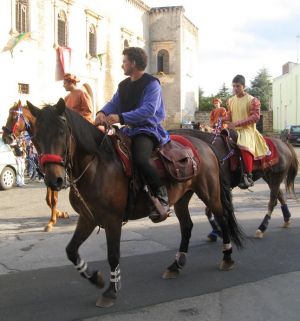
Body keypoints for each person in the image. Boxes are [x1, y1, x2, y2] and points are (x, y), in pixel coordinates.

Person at [94, 47, 171, 223]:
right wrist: (102, 112)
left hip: (147, 129)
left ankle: (161, 193)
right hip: (128, 130)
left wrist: (120, 117)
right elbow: (114, 103)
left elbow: (149, 110)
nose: (122, 65)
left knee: (141, 158)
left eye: (125, 61)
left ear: (133, 63)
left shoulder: (152, 83)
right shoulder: (124, 85)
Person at [224, 74, 269, 189]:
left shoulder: (253, 100)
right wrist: (221, 119)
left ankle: (248, 175)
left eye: (238, 86)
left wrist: (237, 123)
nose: (235, 89)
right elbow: (230, 115)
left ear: (244, 86)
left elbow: (255, 117)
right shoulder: (230, 100)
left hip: (247, 131)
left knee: (243, 144)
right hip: (233, 129)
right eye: (233, 86)